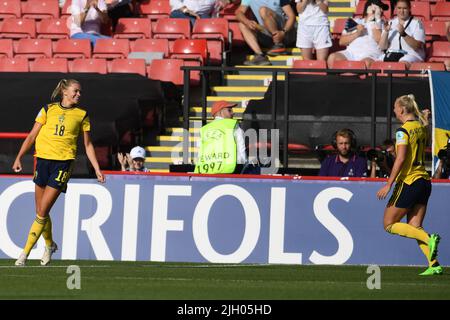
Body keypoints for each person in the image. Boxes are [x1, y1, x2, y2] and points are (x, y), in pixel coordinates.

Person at [13, 79, 105, 267]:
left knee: (42, 211)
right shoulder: (47, 109)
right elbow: (32, 135)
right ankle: (49, 245)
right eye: (76, 91)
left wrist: (97, 168)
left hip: (63, 165)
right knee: (41, 211)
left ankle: (24, 254)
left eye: (80, 92)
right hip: (43, 161)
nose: (79, 94)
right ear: (64, 91)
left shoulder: (82, 115)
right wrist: (19, 157)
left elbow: (87, 145)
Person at [376, 94, 442, 276]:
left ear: (403, 109)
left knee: (389, 224)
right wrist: (426, 121)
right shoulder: (420, 128)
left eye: (395, 108)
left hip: (409, 181)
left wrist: (388, 184)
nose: (394, 111)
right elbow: (426, 140)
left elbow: (401, 158)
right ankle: (434, 264)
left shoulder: (402, 131)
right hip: (424, 182)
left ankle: (429, 239)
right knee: (415, 226)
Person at [327, 0, 387, 68]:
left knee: (365, 63)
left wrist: (373, 21)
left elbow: (380, 41)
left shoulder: (383, 24)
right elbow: (342, 42)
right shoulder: (354, 21)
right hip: (351, 53)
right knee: (332, 58)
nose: (381, 10)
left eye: (382, 9)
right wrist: (357, 33)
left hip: (371, 55)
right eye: (379, 8)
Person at [235, 0, 296, 66]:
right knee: (242, 24)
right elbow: (238, 12)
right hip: (267, 34)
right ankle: (260, 55)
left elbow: (291, 16)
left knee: (263, 10)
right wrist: (247, 22)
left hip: (285, 33)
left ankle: (279, 44)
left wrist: (283, 32)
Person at [195, 100, 247, 174]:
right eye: (229, 110)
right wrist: (243, 165)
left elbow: (200, 153)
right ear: (220, 112)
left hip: (207, 171)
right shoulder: (232, 125)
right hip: (232, 170)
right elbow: (241, 148)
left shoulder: (204, 129)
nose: (233, 112)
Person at [378, 0, 425, 69]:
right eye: (399, 8)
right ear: (395, 8)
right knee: (376, 64)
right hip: (392, 54)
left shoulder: (417, 23)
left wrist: (404, 34)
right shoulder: (391, 22)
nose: (402, 11)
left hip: (411, 55)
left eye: (404, 8)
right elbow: (382, 47)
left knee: (401, 65)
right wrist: (386, 32)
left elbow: (417, 46)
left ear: (409, 9)